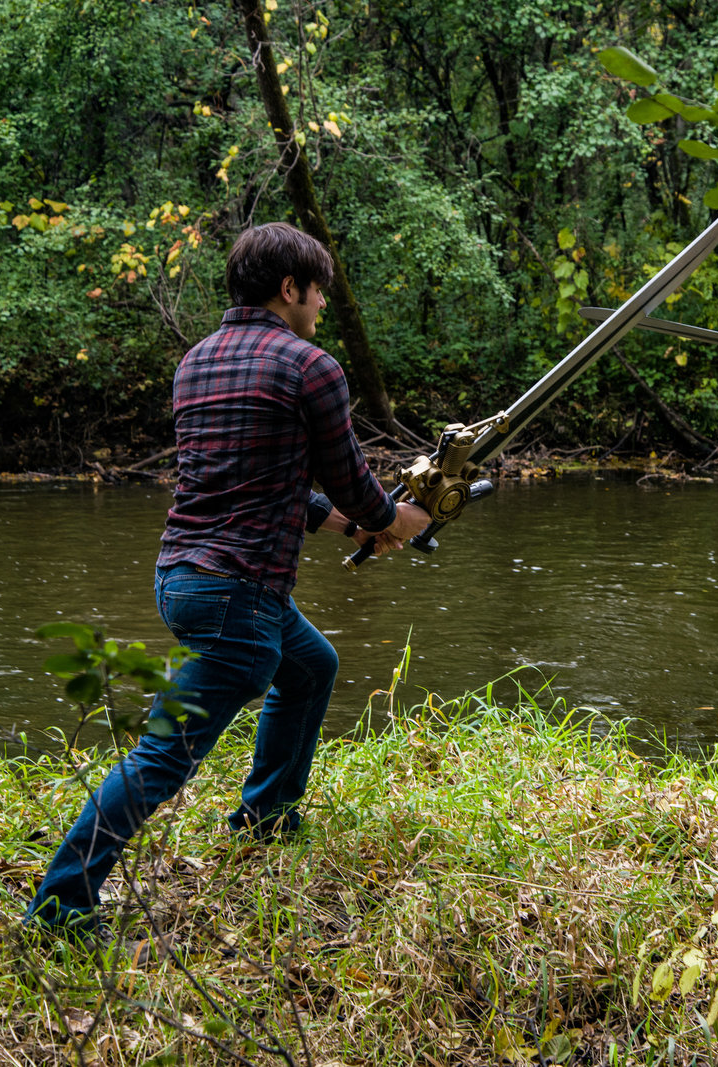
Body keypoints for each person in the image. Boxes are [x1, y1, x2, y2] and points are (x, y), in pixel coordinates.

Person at [26, 222, 430, 935]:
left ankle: (264, 816)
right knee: (162, 755)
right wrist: (401, 519)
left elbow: (267, 485)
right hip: (239, 595)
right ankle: (60, 904)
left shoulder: (197, 361)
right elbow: (356, 486)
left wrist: (350, 526)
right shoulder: (312, 366)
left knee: (310, 667)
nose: (323, 306)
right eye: (318, 292)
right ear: (289, 289)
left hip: (183, 578)